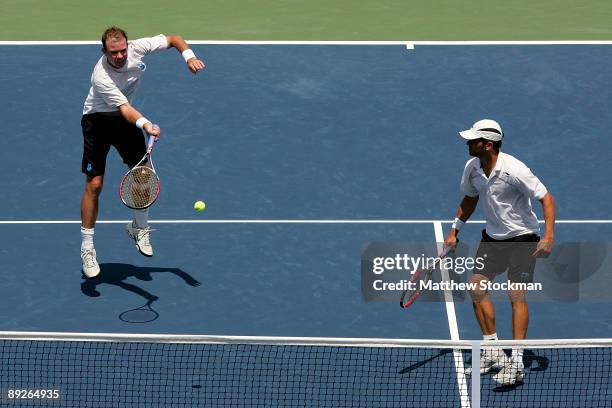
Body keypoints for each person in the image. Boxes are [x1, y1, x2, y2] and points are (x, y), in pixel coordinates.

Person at [80, 27, 205, 279]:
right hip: (97, 122)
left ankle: (139, 227)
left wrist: (189, 57)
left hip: (126, 120)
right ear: (104, 51)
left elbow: (174, 39)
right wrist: (146, 124)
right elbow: (126, 110)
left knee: (143, 174)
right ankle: (87, 248)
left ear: (128, 45)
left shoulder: (137, 48)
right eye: (113, 52)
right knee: (94, 185)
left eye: (123, 50)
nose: (120, 56)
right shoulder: (100, 76)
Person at [444, 119, 555, 384]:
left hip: (523, 238)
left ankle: (516, 363)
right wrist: (454, 231)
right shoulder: (473, 168)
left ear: (488, 144)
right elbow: (470, 199)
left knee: (516, 294)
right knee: (476, 288)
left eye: (473, 140)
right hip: (493, 238)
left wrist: (548, 236)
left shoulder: (515, 169)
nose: (468, 143)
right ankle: (492, 349)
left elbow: (546, 199)